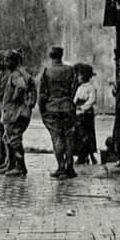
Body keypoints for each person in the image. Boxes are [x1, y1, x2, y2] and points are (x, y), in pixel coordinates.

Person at [38, 46, 78, 179]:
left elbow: (42, 94)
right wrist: (69, 99)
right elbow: (75, 87)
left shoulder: (47, 72)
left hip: (52, 108)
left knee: (57, 137)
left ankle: (61, 167)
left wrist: (42, 109)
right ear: (61, 55)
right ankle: (70, 167)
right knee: (69, 137)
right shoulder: (70, 70)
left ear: (51, 56)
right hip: (67, 107)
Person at [0, 50, 35, 177]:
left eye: (7, 60)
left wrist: (15, 99)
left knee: (14, 139)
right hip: (15, 112)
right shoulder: (19, 73)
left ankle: (20, 167)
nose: (5, 63)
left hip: (16, 112)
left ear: (14, 61)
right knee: (7, 138)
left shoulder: (16, 74)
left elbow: (21, 87)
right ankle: (11, 165)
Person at [74, 63, 99, 165]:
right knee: (80, 135)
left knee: (87, 135)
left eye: (80, 75)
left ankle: (85, 156)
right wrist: (74, 107)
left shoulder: (91, 87)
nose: (78, 77)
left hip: (86, 114)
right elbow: (75, 99)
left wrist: (83, 108)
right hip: (78, 113)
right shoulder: (80, 88)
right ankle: (85, 155)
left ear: (84, 76)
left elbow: (92, 100)